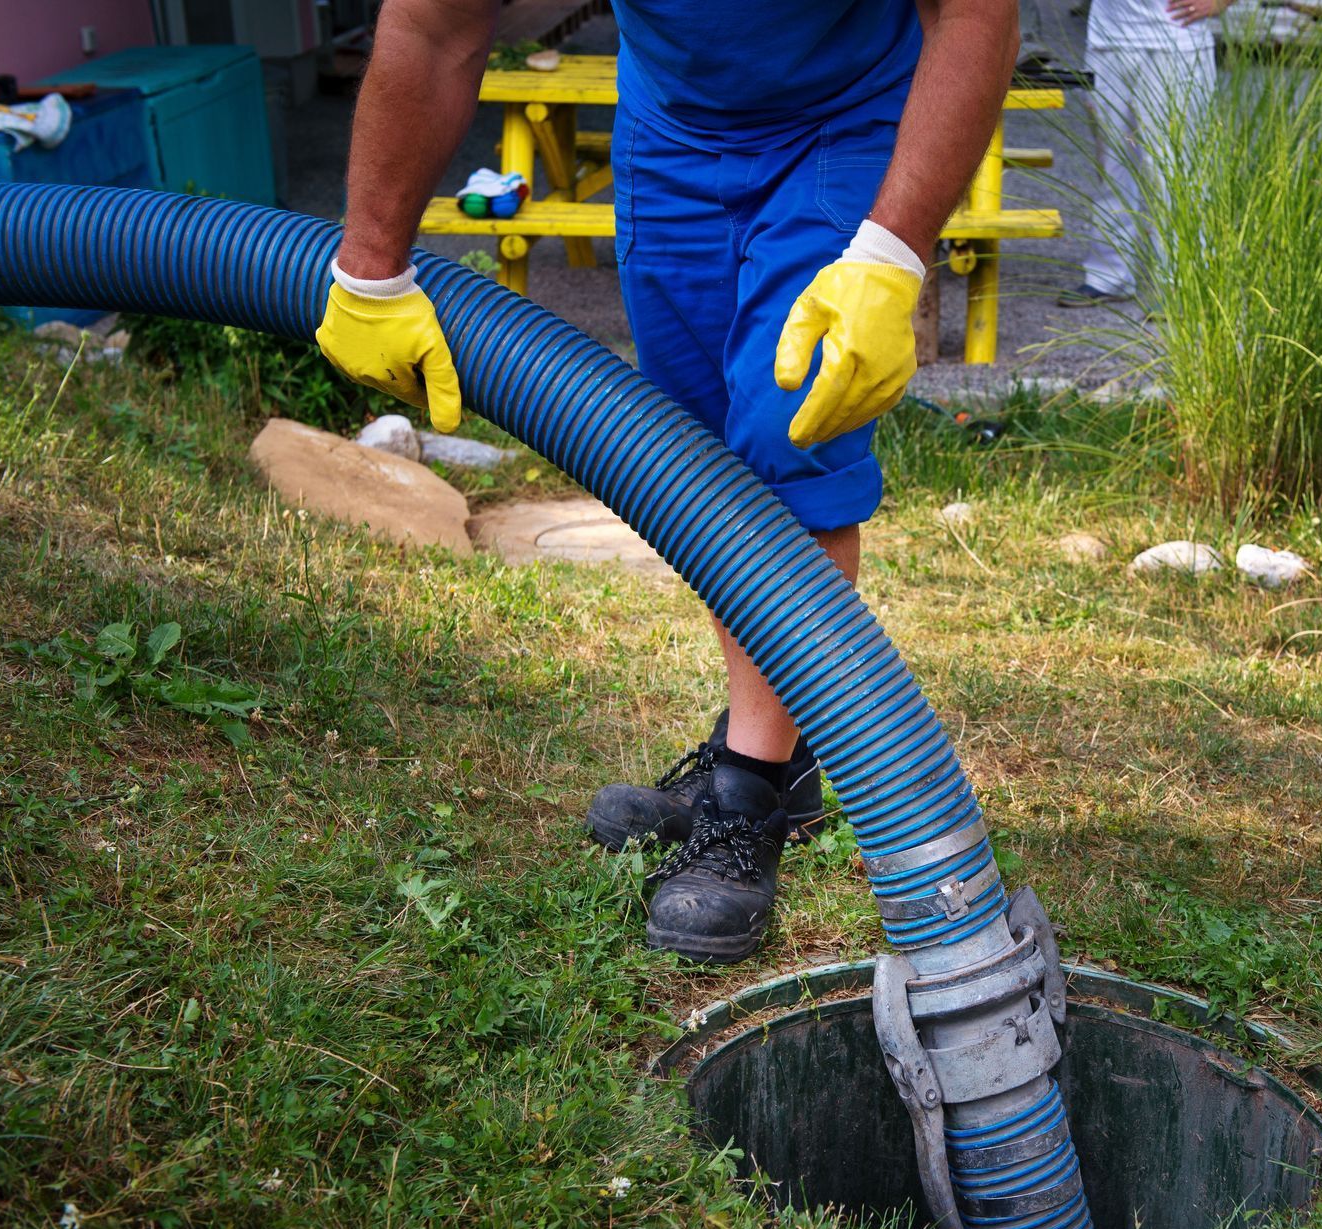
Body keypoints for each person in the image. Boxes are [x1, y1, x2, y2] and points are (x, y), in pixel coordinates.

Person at [315, 0, 1020, 963]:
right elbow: (434, 28)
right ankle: (774, 751)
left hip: (845, 114)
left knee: (788, 431)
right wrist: (368, 266)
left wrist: (892, 256)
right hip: (672, 124)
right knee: (698, 461)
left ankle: (745, 799)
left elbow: (975, 12)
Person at [1058, 0, 1226, 306]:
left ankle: (1181, 281)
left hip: (1178, 42)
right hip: (1106, 41)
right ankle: (1109, 276)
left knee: (1176, 170)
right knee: (1111, 166)